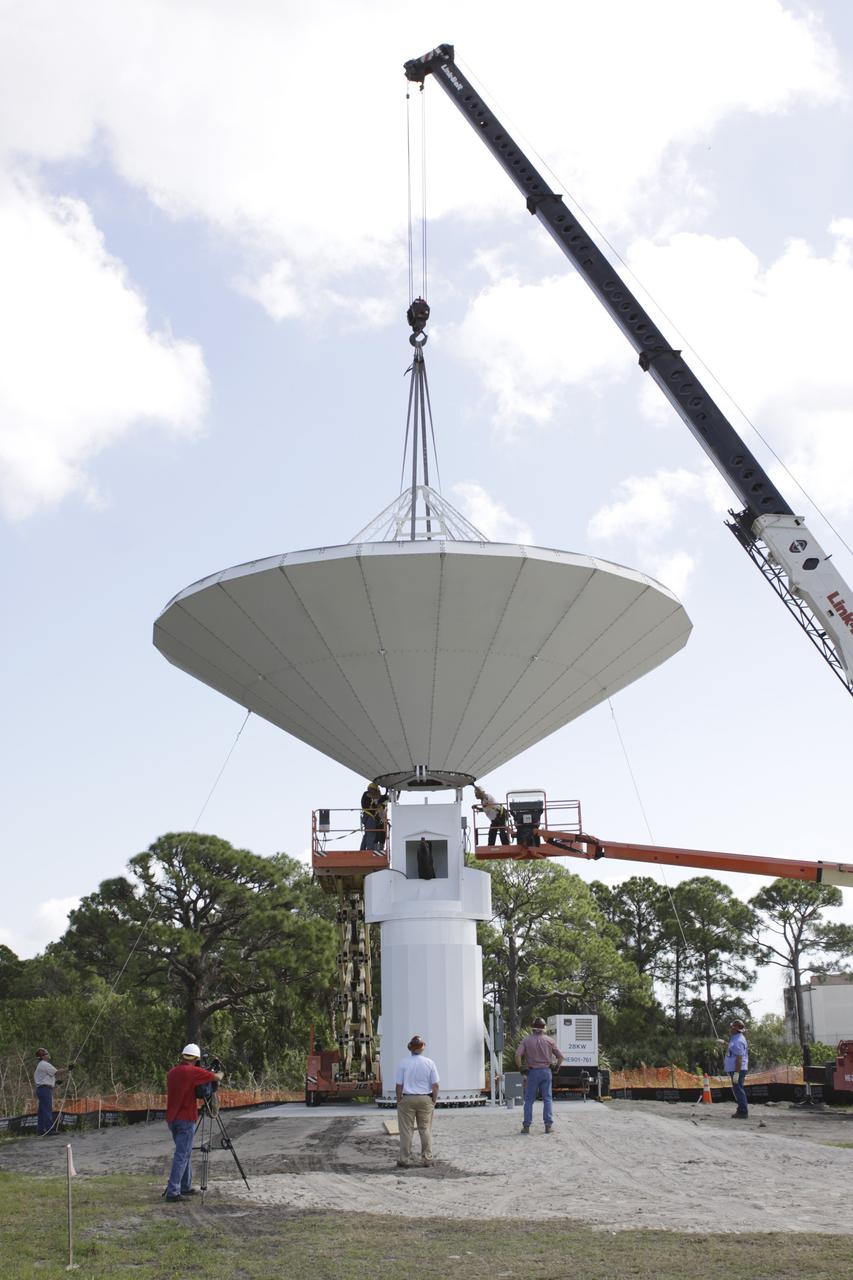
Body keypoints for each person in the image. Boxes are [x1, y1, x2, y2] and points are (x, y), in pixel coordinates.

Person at [163, 1042, 223, 1202]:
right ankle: (173, 1191)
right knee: (182, 1155)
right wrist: (217, 1071)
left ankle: (185, 1185)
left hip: (172, 1119)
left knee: (185, 1152)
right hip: (186, 1118)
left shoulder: (172, 1072)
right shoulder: (193, 1072)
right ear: (196, 1059)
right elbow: (216, 1077)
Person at [394, 1035, 440, 1167]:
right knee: (425, 1129)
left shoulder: (403, 1063)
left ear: (410, 1048)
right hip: (425, 1098)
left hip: (407, 1098)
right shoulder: (429, 1063)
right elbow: (435, 1084)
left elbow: (399, 1085)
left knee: (406, 1130)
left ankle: (404, 1159)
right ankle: (427, 1158)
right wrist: (433, 1100)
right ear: (422, 1048)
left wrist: (399, 1100)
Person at [515, 1016, 564, 1134]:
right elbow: (561, 1057)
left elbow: (517, 1055)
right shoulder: (550, 1040)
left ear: (533, 1028)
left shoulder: (526, 1040)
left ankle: (526, 1126)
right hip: (546, 1072)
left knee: (529, 1100)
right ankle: (548, 1126)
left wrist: (521, 1068)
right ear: (544, 1028)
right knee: (547, 1099)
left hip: (532, 1072)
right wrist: (556, 1067)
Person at [33, 1048, 71, 1135]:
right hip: (45, 1090)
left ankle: (40, 1130)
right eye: (47, 1053)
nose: (48, 1054)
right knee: (47, 1109)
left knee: (42, 1110)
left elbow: (44, 1078)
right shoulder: (45, 1064)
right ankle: (50, 1130)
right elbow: (57, 1072)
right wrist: (68, 1069)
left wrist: (55, 1082)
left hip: (41, 1089)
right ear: (43, 1056)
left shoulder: (40, 1065)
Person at [724, 1019, 749, 1119]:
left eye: (732, 1026)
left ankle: (743, 1112)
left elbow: (739, 1059)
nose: (730, 1028)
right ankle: (741, 1110)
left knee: (738, 1089)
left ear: (736, 1028)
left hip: (737, 1069)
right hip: (735, 1069)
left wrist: (737, 1074)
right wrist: (724, 1043)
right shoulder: (735, 1038)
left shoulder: (739, 1040)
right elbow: (732, 1048)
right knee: (738, 1089)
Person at [360, 782, 386, 852]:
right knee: (371, 833)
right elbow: (376, 798)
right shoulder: (367, 794)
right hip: (369, 817)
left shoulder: (368, 795)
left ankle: (362, 849)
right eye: (376, 790)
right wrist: (383, 797)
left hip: (368, 817)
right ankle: (370, 850)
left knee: (367, 834)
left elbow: (376, 801)